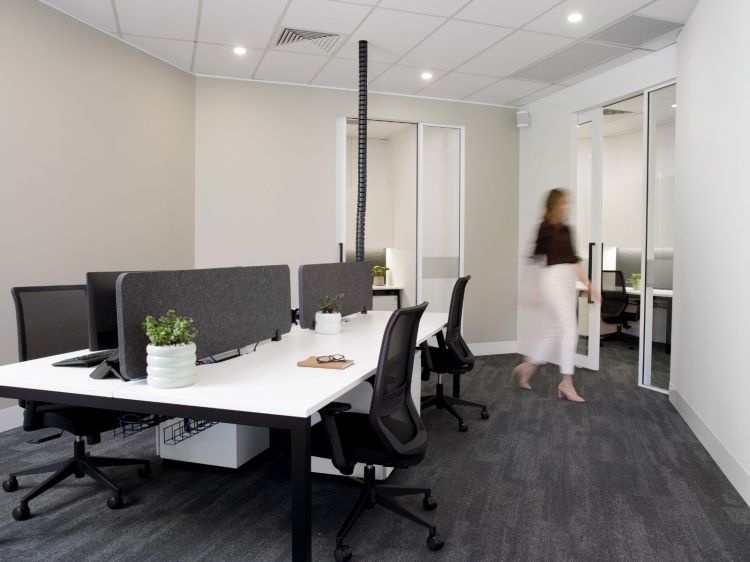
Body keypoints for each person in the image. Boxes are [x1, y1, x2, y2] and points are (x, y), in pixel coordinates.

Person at [513, 188, 599, 403]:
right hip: (551, 281)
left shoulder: (567, 230)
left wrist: (589, 285)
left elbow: (574, 260)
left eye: (568, 203)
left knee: (556, 328)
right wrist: (533, 292)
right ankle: (566, 383)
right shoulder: (544, 227)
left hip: (568, 281)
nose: (567, 207)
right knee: (571, 329)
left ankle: (529, 366)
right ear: (553, 205)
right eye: (563, 203)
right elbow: (534, 261)